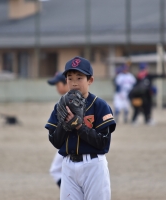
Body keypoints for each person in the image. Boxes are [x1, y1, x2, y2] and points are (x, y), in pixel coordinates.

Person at [45, 56, 116, 200]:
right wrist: (65, 125)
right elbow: (55, 141)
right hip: (68, 166)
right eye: (70, 78)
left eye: (79, 78)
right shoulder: (60, 105)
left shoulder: (99, 105)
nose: (74, 83)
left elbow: (103, 142)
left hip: (94, 166)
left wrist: (79, 126)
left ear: (90, 80)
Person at [47, 72, 69, 188]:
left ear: (66, 83)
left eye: (58, 84)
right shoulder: (65, 100)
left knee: (55, 170)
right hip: (68, 143)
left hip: (68, 143)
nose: (57, 88)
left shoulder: (67, 101)